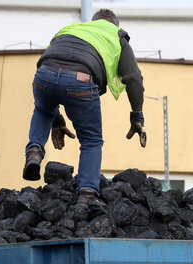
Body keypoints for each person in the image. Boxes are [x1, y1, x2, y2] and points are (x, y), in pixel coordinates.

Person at [23, 9, 146, 206]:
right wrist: (136, 115)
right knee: (91, 140)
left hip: (44, 75)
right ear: (114, 24)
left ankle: (35, 152)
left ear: (93, 22)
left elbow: (54, 73)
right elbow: (133, 78)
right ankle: (87, 194)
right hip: (81, 80)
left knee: (42, 110)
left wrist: (57, 119)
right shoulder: (116, 35)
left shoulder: (69, 29)